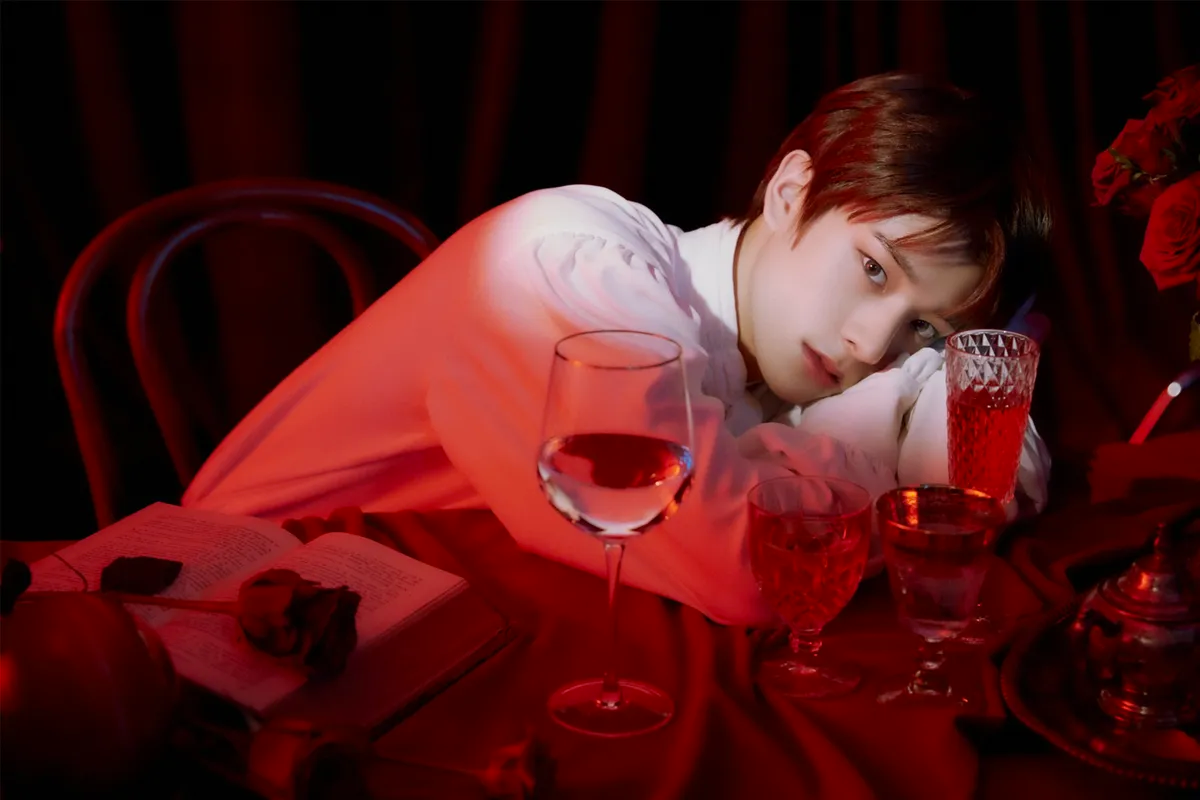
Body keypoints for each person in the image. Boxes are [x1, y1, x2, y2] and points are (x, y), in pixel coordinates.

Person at [183, 72, 1053, 626]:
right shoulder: (571, 266)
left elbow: (991, 474)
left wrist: (924, 380)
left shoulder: (794, 353)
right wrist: (888, 453)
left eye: (920, 327)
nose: (872, 342)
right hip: (214, 617)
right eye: (871, 268)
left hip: (408, 631)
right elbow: (750, 569)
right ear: (793, 191)